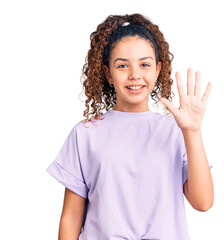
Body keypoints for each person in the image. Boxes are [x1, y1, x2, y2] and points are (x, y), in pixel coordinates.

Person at [46, 13, 214, 240]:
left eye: (145, 64)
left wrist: (192, 132)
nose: (135, 75)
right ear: (108, 74)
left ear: (157, 70)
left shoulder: (175, 131)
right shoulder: (85, 134)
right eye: (123, 65)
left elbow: (203, 202)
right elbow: (71, 218)